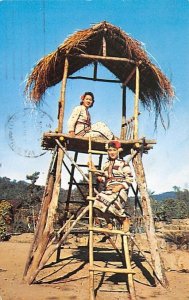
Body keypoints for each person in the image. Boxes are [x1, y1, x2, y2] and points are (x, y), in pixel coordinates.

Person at [91, 140, 133, 231]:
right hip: (109, 190)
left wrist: (119, 187)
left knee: (109, 200)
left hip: (120, 190)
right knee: (98, 200)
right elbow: (103, 180)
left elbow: (130, 179)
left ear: (118, 151)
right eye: (110, 150)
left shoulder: (123, 163)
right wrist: (94, 170)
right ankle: (108, 221)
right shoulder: (105, 165)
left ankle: (124, 219)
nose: (112, 152)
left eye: (114, 150)